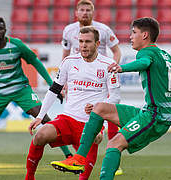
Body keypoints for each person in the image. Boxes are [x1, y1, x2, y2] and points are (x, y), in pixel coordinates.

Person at [51, 17, 171, 180]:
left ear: (145, 35)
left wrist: (122, 68)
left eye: (134, 33)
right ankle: (79, 158)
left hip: (156, 116)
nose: (130, 37)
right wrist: (166, 88)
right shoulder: (164, 54)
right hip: (149, 112)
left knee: (114, 144)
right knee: (100, 108)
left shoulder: (146, 53)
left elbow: (144, 63)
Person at [0, 16, 69, 176]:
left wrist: (52, 85)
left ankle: (69, 155)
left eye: (0, 28)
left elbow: (36, 62)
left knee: (44, 118)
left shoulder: (16, 45)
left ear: (5, 30)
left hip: (21, 89)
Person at [25, 26, 120, 180]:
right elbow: (54, 89)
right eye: (81, 41)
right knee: (40, 135)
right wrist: (40, 116)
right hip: (67, 119)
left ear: (97, 44)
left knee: (96, 139)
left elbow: (115, 97)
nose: (83, 45)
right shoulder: (69, 62)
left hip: (91, 123)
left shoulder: (108, 65)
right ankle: (29, 177)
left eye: (88, 41)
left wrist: (98, 107)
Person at [61, 0, 123, 175]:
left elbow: (117, 51)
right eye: (82, 10)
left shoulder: (103, 30)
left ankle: (113, 159)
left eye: (88, 10)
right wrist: (64, 81)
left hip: (100, 79)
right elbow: (65, 55)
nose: (85, 13)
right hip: (77, 79)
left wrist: (112, 69)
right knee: (74, 117)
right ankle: (80, 156)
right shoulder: (68, 30)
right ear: (76, 12)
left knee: (111, 117)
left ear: (93, 12)